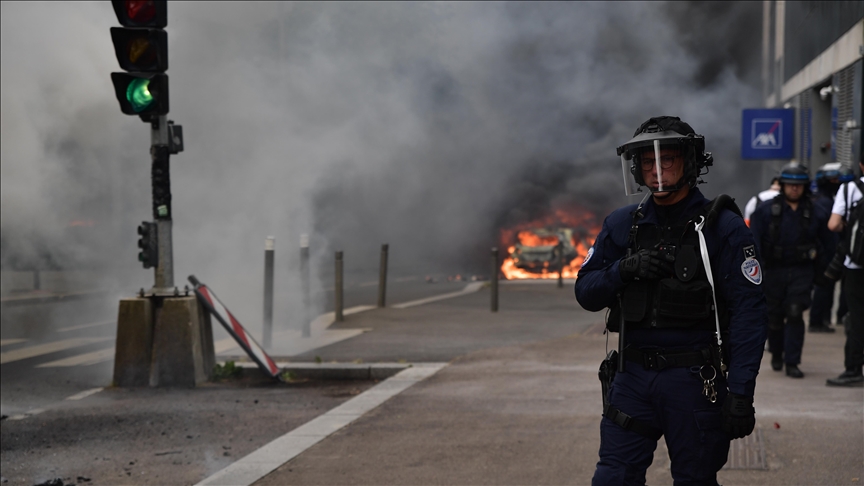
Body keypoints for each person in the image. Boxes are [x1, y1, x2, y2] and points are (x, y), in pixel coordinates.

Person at [575, 116, 767, 485]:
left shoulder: (721, 227)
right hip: (631, 380)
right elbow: (585, 292)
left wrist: (742, 391)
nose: (657, 170)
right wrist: (622, 270)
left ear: (690, 162)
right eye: (647, 161)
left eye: (667, 159)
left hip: (693, 380)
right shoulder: (622, 224)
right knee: (612, 478)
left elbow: (749, 314)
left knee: (694, 478)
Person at [749, 163, 835, 378]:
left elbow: (829, 242)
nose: (794, 189)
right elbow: (754, 242)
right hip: (774, 271)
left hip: (802, 270)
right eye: (790, 185)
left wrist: (827, 272)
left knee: (795, 313)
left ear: (805, 187)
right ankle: (777, 353)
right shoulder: (765, 211)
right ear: (783, 185)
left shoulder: (817, 212)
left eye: (799, 185)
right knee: (775, 318)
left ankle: (792, 361)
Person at [825, 154, 864, 387]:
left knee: (857, 319)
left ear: (861, 165)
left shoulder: (850, 189)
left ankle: (853, 369)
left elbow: (833, 224)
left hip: (856, 265)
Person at [809, 163, 845, 333]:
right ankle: (817, 321)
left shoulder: (827, 200)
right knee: (823, 287)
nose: (837, 182)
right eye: (834, 180)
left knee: (826, 287)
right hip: (824, 252)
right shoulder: (823, 202)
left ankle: (822, 319)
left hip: (827, 250)